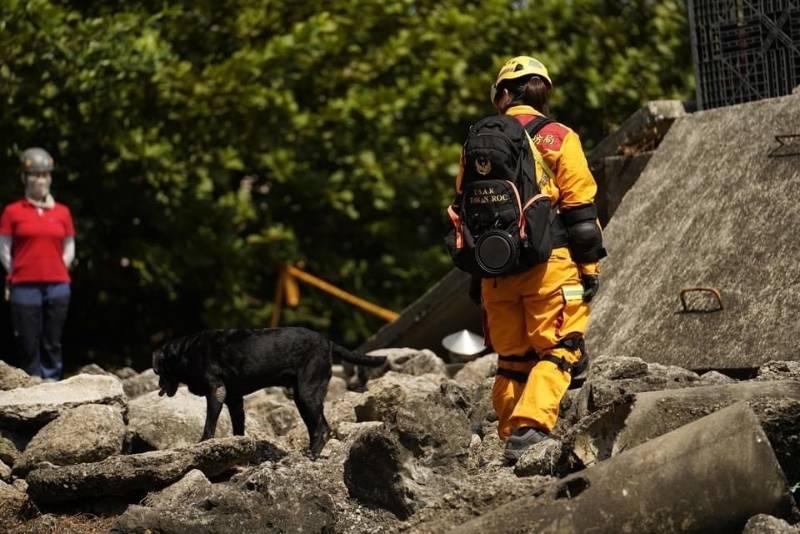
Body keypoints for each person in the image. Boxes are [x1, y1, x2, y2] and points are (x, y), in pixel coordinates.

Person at [455, 56, 606, 462]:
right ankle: (531, 427)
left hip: (495, 272)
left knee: (513, 359)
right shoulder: (559, 136)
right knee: (562, 346)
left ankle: (510, 434)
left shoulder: (477, 141)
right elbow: (580, 211)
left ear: (503, 95)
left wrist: (477, 276)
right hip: (549, 265)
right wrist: (589, 269)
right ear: (542, 92)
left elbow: (467, 211)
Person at [0, 147, 75, 380]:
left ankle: (52, 381)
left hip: (58, 285)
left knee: (52, 341)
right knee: (27, 341)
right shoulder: (13, 212)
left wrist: (59, 267)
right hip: (24, 285)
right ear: (25, 178)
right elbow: (4, 248)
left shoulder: (62, 212)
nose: (40, 180)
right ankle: (32, 383)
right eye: (35, 175)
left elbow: (69, 246)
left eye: (45, 175)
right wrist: (17, 270)